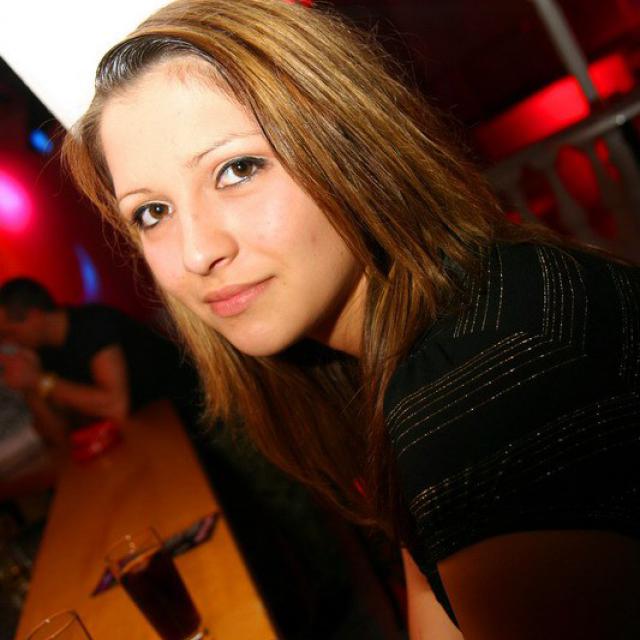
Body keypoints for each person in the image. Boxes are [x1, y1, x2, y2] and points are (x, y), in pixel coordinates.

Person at [61, 1, 640, 637]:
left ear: (349, 146)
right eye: (152, 213)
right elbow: (432, 598)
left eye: (237, 169)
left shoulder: (481, 383)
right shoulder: (427, 325)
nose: (198, 253)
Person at [0, 277, 196, 433]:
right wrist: (28, 386)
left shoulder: (93, 324)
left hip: (191, 413)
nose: (8, 342)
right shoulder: (42, 353)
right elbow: (59, 435)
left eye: (10, 333)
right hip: (146, 428)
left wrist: (38, 380)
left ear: (34, 317)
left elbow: (116, 406)